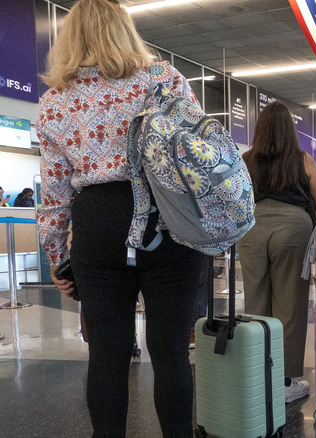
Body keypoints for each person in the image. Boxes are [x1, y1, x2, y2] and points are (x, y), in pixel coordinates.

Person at [36, 0, 209, 435]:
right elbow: (201, 157)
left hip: (98, 222)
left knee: (108, 354)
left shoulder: (55, 101)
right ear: (124, 31)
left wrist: (58, 257)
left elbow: (54, 191)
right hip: (168, 219)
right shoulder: (164, 80)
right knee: (170, 350)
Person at [238, 101, 316, 403]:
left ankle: (255, 374)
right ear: (290, 131)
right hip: (294, 229)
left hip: (252, 227)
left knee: (255, 302)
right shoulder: (303, 159)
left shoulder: (246, 159)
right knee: (290, 305)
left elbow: (235, 197)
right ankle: (285, 381)